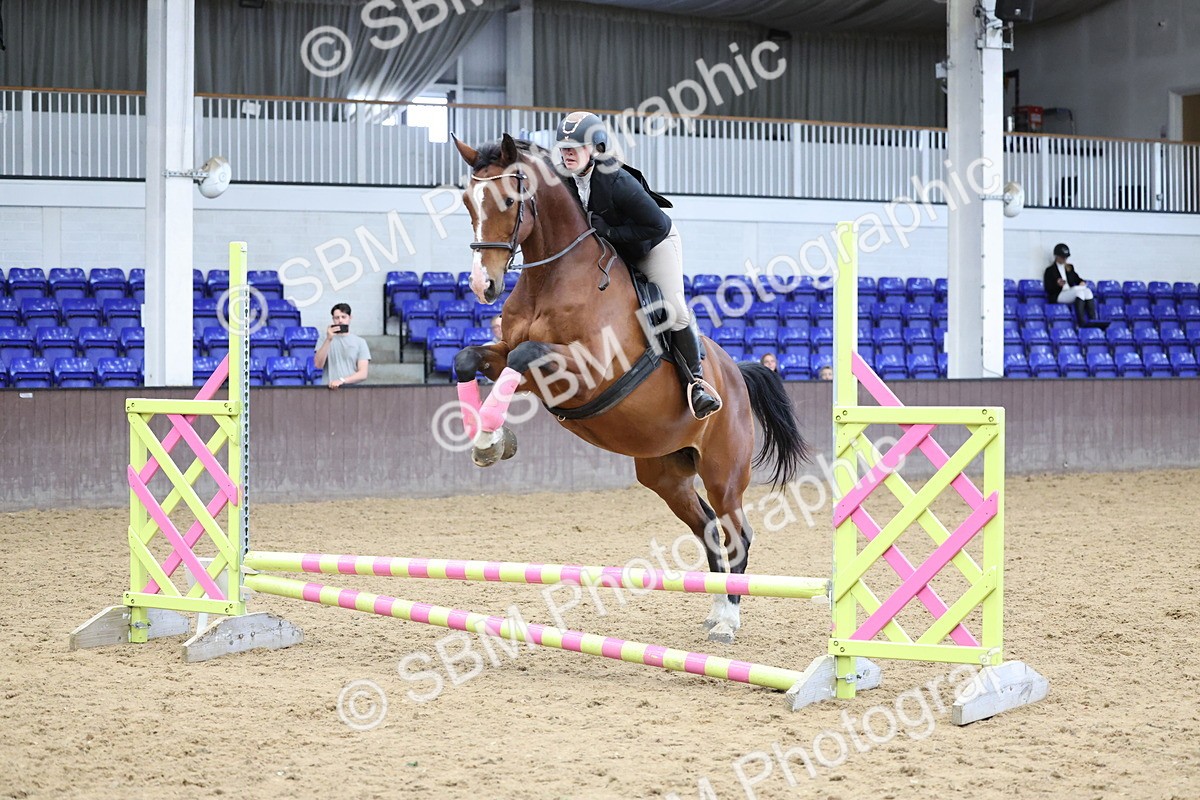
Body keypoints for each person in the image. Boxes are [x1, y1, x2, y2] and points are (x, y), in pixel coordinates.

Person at [555, 111, 721, 420]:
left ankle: (697, 384)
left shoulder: (617, 181)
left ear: (594, 148)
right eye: (563, 147)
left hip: (653, 244)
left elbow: (658, 224)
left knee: (673, 308)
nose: (567, 153)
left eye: (574, 147)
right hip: (612, 250)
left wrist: (610, 233)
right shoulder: (564, 179)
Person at [1043, 243, 1106, 327]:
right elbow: (1048, 288)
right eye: (1062, 257)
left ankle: (1092, 319)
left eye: (1065, 257)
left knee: (1087, 291)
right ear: (1057, 256)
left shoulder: (1069, 267)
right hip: (1059, 294)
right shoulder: (1050, 270)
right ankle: (1081, 321)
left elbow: (1077, 278)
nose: (1065, 259)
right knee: (1078, 292)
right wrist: (1057, 284)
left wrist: (1081, 282)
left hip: (1069, 291)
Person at [313, 303, 370, 389]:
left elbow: (363, 373)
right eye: (337, 317)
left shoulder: (360, 342)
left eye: (343, 317)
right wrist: (328, 340)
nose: (340, 321)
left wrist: (342, 380)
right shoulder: (324, 339)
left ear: (350, 318)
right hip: (328, 388)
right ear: (333, 319)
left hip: (351, 390)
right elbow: (318, 364)